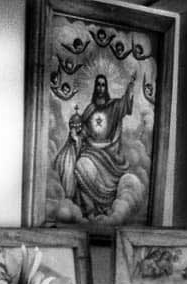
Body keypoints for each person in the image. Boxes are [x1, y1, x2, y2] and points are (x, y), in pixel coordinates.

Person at [53, 73, 136, 219]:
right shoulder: (90, 109)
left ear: (106, 87)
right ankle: (89, 210)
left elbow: (125, 103)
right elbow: (83, 132)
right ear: (95, 87)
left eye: (103, 85)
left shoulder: (113, 107)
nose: (100, 88)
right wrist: (76, 136)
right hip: (90, 150)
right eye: (98, 85)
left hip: (108, 154)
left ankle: (104, 209)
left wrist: (131, 86)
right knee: (80, 166)